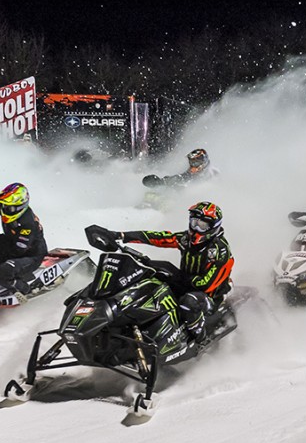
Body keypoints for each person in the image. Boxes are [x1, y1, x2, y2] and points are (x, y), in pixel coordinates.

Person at [98, 201, 233, 345]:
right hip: (186, 285)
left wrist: (175, 276)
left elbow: (206, 284)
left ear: (213, 227)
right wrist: (121, 235)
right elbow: (158, 237)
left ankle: (201, 338)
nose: (196, 229)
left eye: (202, 225)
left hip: (210, 296)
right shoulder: (185, 239)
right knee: (152, 283)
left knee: (189, 302)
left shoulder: (220, 251)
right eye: (194, 223)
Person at [142, 148, 219, 188]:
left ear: (203, 163)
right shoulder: (192, 173)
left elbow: (207, 190)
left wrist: (182, 189)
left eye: (195, 163)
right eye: (191, 163)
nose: (192, 166)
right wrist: (160, 181)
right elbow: (181, 178)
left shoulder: (213, 174)